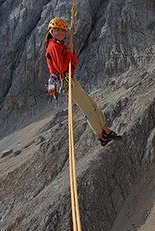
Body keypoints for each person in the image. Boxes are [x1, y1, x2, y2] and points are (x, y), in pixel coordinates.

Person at [44, 17, 123, 146]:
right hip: (65, 81)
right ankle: (101, 135)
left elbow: (73, 63)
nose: (60, 33)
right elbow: (61, 67)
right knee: (88, 108)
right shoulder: (53, 47)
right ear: (51, 31)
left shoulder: (60, 46)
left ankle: (105, 130)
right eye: (57, 30)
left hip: (69, 79)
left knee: (91, 104)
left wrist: (71, 51)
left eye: (62, 31)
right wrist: (69, 54)